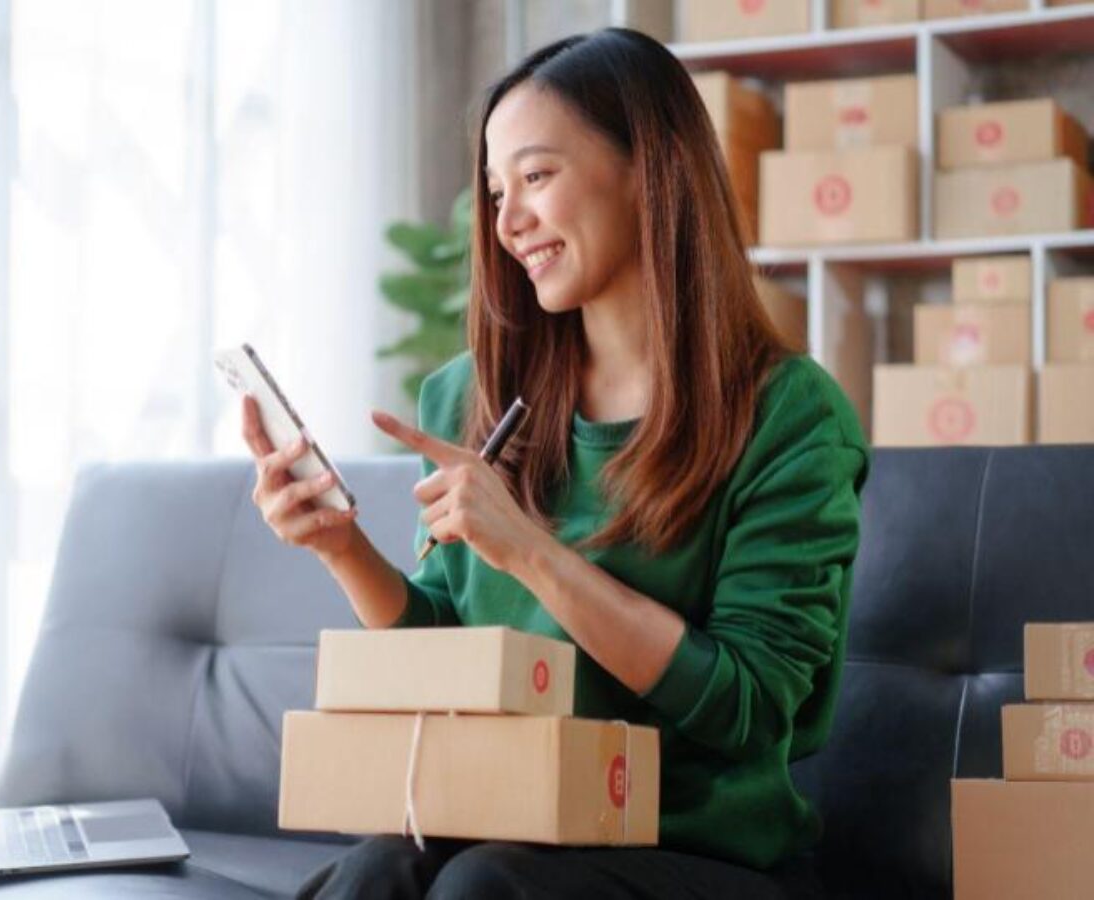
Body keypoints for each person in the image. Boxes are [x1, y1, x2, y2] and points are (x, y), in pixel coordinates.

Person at [239, 27, 866, 900]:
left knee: (488, 886)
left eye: (535, 178)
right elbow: (453, 663)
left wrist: (531, 550)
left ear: (649, 169)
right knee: (376, 871)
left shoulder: (787, 417)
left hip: (698, 851)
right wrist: (342, 546)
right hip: (509, 818)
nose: (506, 223)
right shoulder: (472, 396)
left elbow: (748, 706)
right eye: (497, 191)